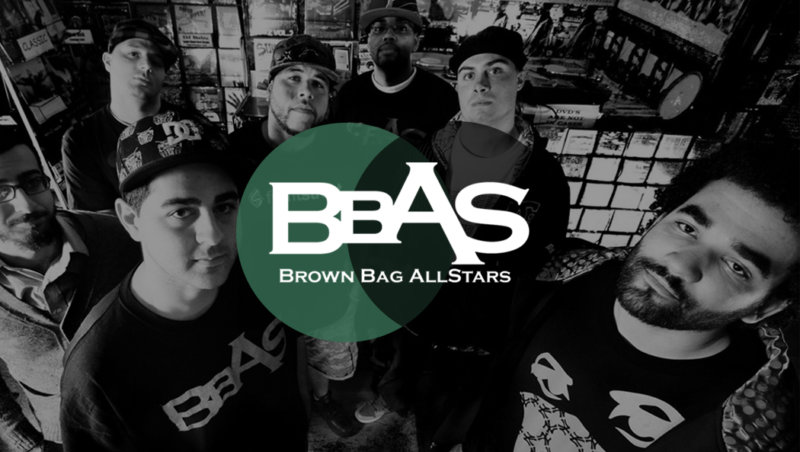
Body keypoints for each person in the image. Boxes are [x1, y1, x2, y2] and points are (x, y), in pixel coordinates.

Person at [463, 141, 799, 451]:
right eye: (687, 227)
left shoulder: (751, 428)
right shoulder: (562, 274)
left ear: (766, 306)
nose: (680, 264)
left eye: (736, 267)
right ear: (662, 215)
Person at [60, 111, 307, 451]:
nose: (213, 236)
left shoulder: (261, 274)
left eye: (224, 207)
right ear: (131, 220)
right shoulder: (99, 371)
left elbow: (294, 365)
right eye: (181, 212)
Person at [228, 34, 363, 438]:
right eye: (293, 78)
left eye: (319, 83)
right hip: (252, 293)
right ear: (268, 86)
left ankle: (322, 399)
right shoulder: (231, 154)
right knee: (259, 375)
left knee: (322, 363)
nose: (306, 91)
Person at [0, 128, 140, 452]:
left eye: (32, 182)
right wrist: (29, 445)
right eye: (1, 192)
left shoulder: (120, 236)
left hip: (162, 417)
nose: (25, 204)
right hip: (65, 438)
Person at [61, 18, 180, 211]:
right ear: (108, 61)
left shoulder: (192, 126)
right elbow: (97, 222)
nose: (146, 65)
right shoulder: (82, 140)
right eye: (133, 54)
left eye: (157, 60)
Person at [334, 0, 459, 147]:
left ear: (416, 42)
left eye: (401, 28)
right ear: (367, 41)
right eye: (378, 29)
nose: (388, 35)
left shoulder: (444, 98)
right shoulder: (348, 95)